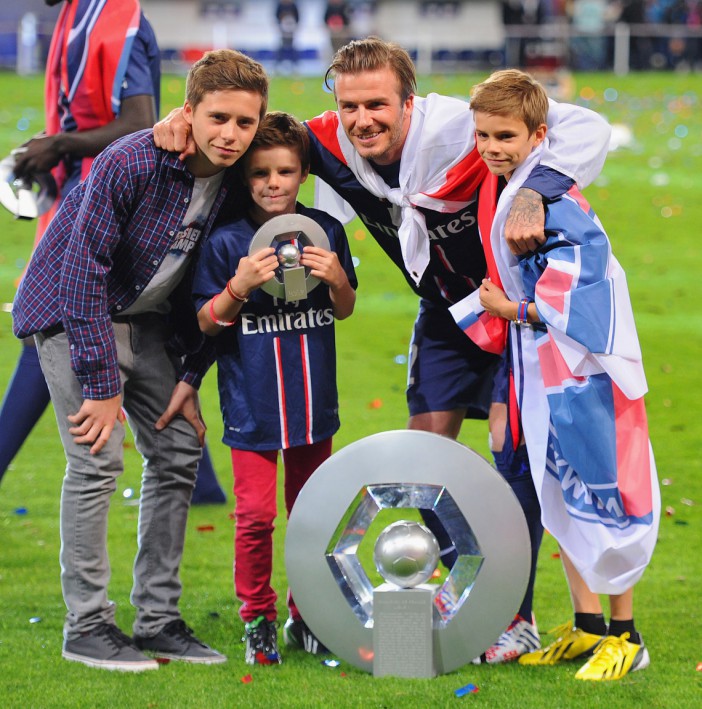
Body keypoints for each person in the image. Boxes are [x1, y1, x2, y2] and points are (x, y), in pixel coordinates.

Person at [152, 35, 612, 664]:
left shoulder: (458, 122)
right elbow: (262, 142)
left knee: (512, 454)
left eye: (377, 104)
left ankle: (515, 617)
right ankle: (457, 599)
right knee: (425, 461)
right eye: (349, 106)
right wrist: (180, 118)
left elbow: (586, 126)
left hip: (510, 305)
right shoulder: (326, 139)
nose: (362, 119)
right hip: (445, 312)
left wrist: (536, 188)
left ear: (410, 100)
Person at [11, 48, 269, 672]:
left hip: (149, 324)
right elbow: (81, 273)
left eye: (245, 122)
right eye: (218, 118)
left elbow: (208, 288)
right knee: (96, 462)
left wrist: (188, 376)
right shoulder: (131, 162)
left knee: (178, 452)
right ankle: (87, 627)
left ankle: (157, 620)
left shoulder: (239, 180)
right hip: (76, 315)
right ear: (189, 111)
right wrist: (102, 386)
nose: (231, 134)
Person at [465, 68, 659, 680]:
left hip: (584, 373)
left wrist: (511, 309)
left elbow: (589, 290)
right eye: (482, 136)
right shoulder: (510, 184)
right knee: (559, 493)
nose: (492, 147)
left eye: (505, 136)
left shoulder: (552, 197)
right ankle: (586, 625)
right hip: (538, 369)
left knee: (604, 488)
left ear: (539, 135)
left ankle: (627, 635)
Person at [0, 0, 226, 506]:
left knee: (49, 328)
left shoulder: (122, 24)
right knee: (98, 337)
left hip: (113, 205)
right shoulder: (83, 16)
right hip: (82, 197)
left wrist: (59, 145)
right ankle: (202, 485)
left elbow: (138, 122)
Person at [192, 111, 357, 665]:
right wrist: (238, 287)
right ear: (244, 176)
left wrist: (336, 280)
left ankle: (306, 615)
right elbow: (206, 322)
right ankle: (257, 618)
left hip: (314, 404)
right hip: (253, 406)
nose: (272, 183)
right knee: (256, 518)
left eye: (285, 171)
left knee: (312, 516)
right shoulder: (226, 242)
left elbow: (345, 308)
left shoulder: (325, 233)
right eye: (260, 172)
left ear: (303, 173)